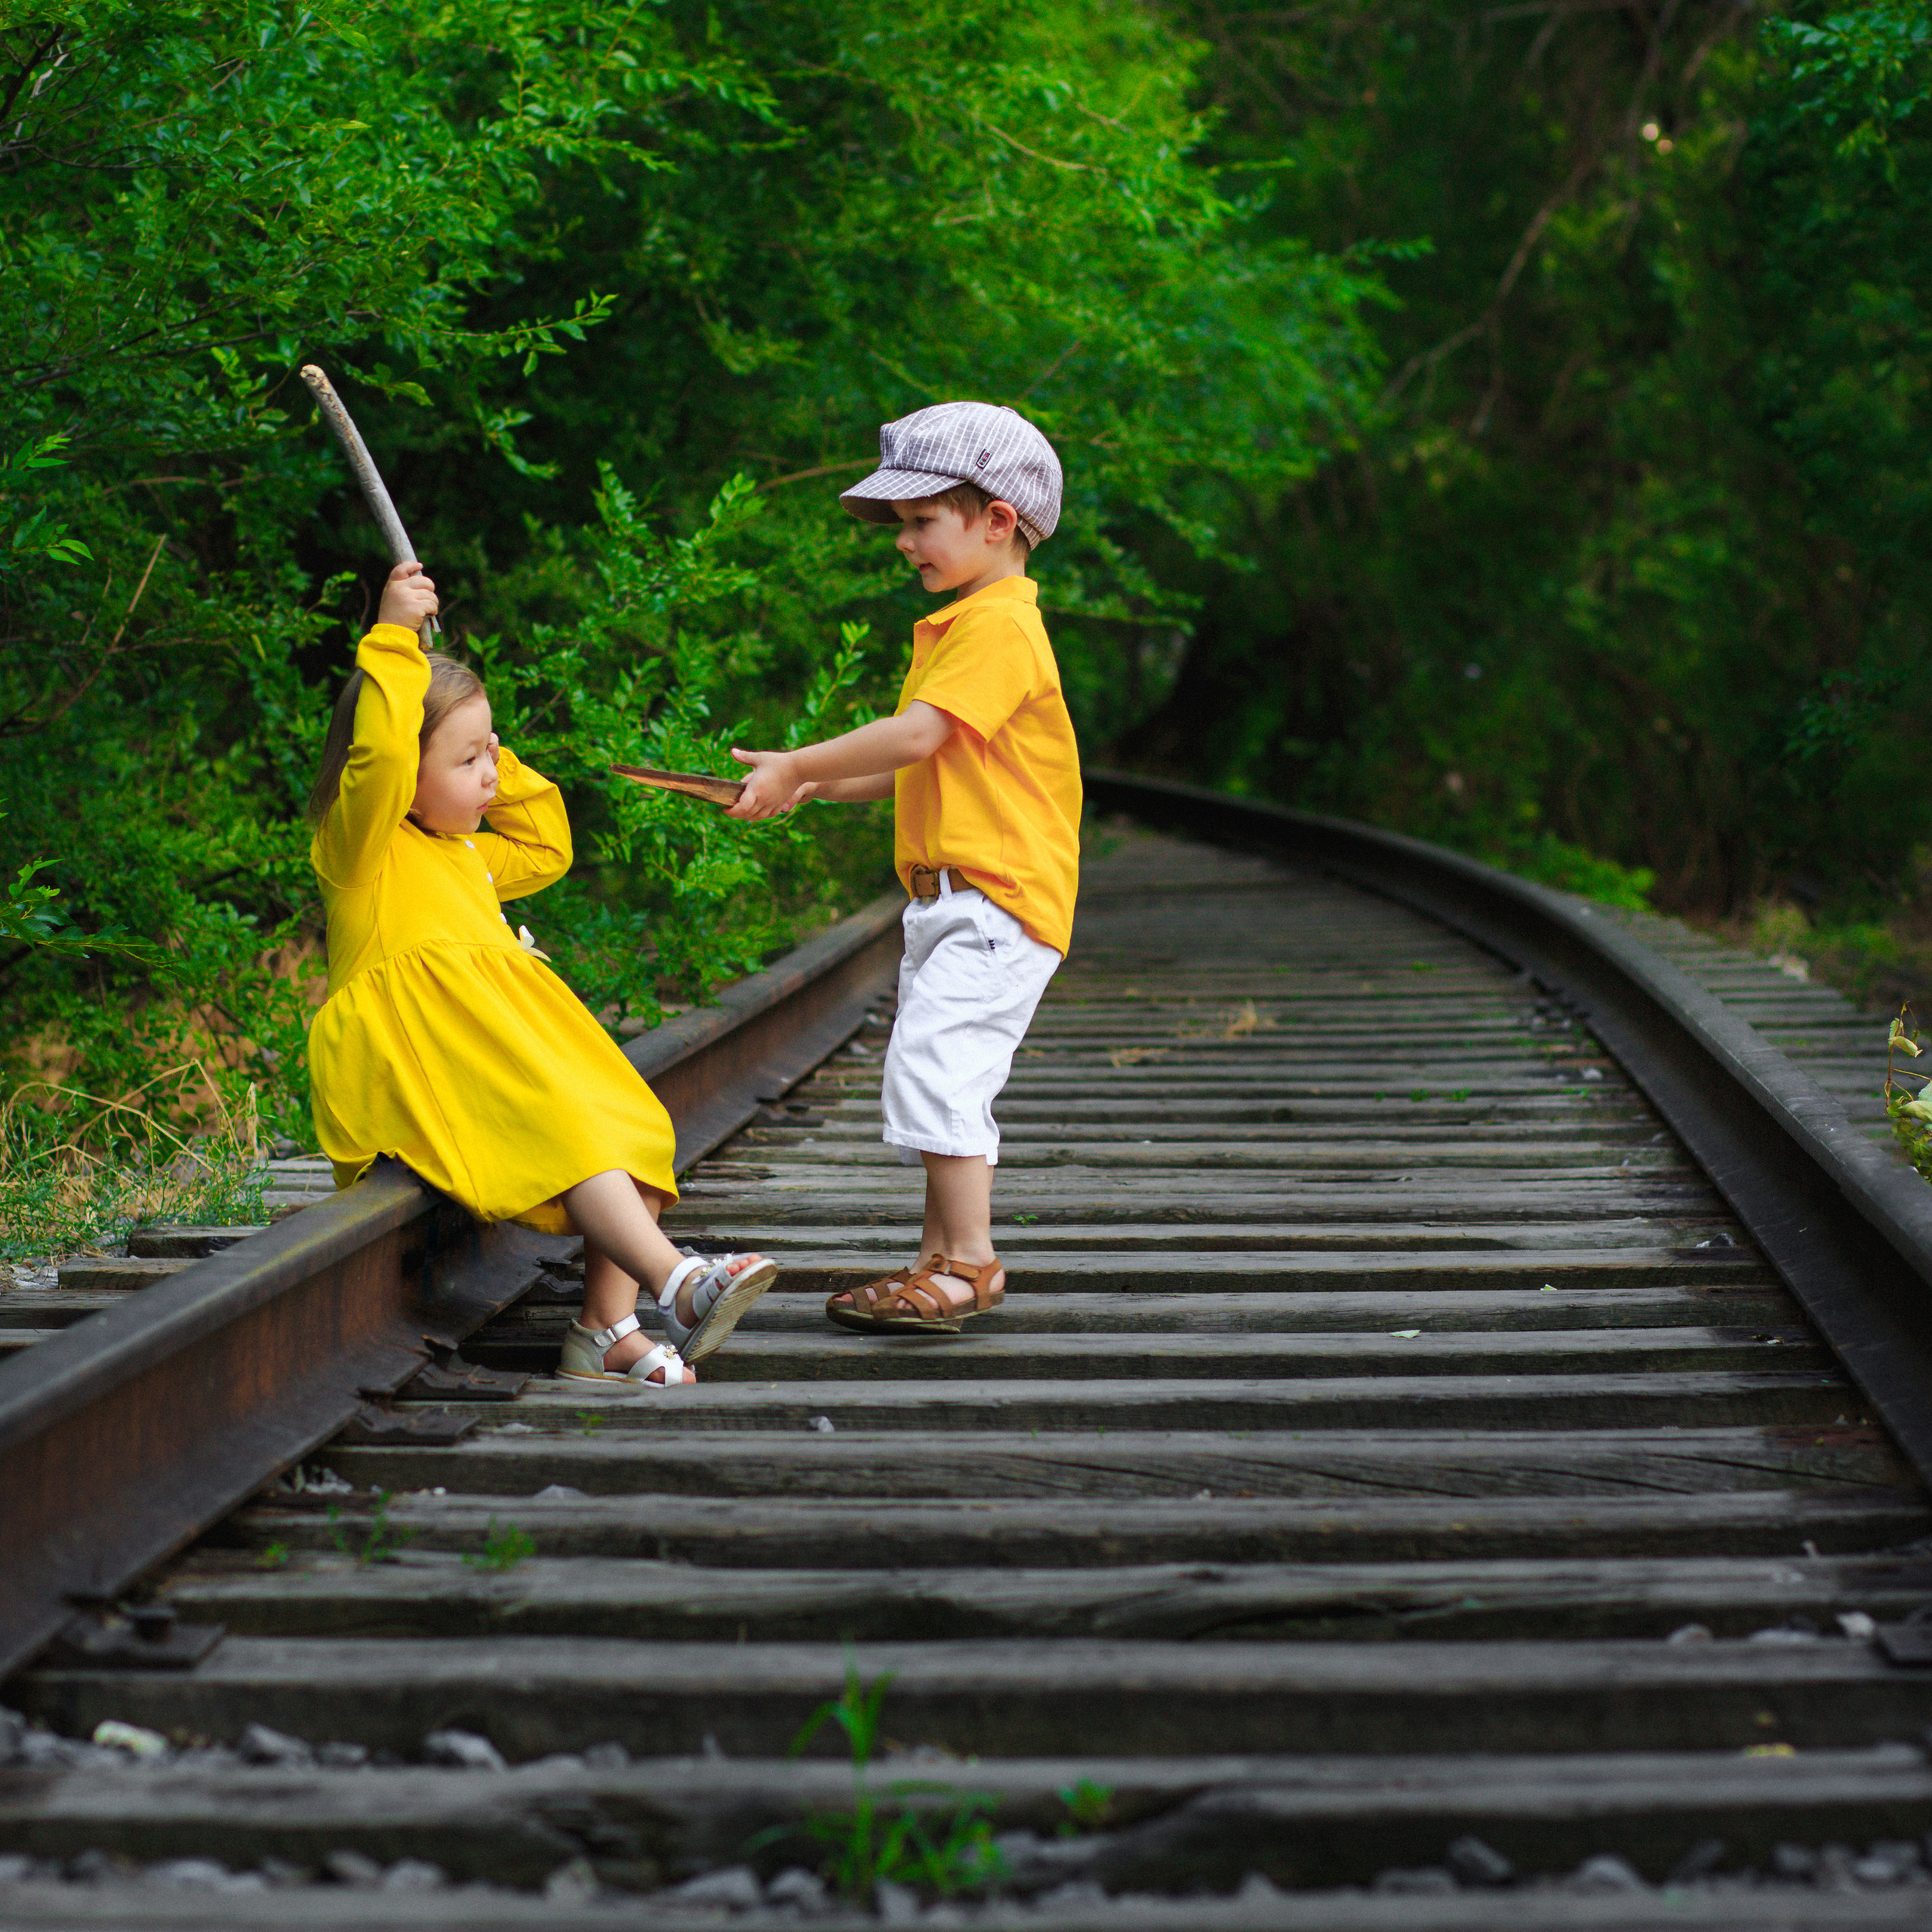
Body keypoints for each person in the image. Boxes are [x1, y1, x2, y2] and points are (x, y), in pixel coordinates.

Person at [305, 560, 774, 1389]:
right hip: (416, 1061)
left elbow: (548, 841)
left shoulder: (468, 857)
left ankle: (607, 1331)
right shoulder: (363, 854)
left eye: (492, 755)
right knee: (575, 1127)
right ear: (398, 776)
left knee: (628, 1125)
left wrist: (485, 744)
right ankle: (679, 1282)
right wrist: (391, 641)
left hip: (487, 1051)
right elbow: (378, 761)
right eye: (466, 762)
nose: (490, 776)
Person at [728, 401, 1078, 1332]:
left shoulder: (998, 626)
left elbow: (919, 731)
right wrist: (815, 787)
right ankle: (937, 1260)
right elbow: (917, 761)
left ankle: (968, 1262)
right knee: (935, 1068)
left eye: (921, 521)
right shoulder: (970, 625)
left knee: (938, 1068)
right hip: (957, 902)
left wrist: (803, 759)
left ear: (997, 521)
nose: (904, 543)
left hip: (995, 899)